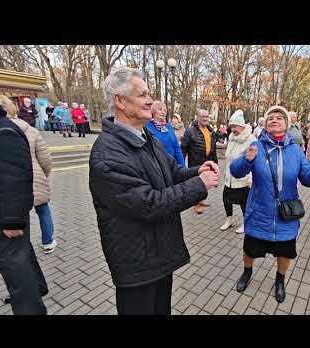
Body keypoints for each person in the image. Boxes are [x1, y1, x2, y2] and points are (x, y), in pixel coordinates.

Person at [89, 67, 219, 315]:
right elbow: (149, 203)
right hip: (136, 265)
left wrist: (196, 171)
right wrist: (199, 185)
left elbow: (171, 173)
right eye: (142, 94)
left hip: (159, 254)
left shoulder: (147, 138)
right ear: (120, 101)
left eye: (149, 93)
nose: (150, 100)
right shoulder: (107, 154)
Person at [230, 105, 310, 303]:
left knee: (285, 253)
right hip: (259, 213)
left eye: (279, 117)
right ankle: (247, 272)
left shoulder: (295, 151)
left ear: (287, 124)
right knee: (250, 250)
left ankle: (280, 280)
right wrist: (247, 161)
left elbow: (308, 178)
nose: (274, 120)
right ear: (266, 125)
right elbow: (235, 171)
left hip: (286, 217)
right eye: (270, 118)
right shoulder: (255, 146)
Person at [0, 102, 48, 315]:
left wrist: (11, 219)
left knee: (15, 265)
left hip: (7, 215)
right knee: (20, 255)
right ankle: (37, 286)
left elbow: (11, 175)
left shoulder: (3, 130)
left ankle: (30, 307)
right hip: (8, 212)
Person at [0, 95, 57, 255]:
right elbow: (45, 159)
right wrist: (43, 175)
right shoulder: (31, 131)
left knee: (20, 215)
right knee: (43, 210)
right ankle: (48, 241)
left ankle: (22, 247)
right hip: (34, 177)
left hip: (9, 187)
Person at [221, 109, 256, 234]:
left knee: (244, 203)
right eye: (231, 127)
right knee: (226, 199)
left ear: (241, 125)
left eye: (234, 126)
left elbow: (253, 162)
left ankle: (246, 223)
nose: (232, 129)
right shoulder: (232, 138)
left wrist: (250, 180)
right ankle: (229, 220)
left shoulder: (251, 140)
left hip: (243, 180)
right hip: (229, 178)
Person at [181, 109, 218, 214]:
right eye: (203, 116)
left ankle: (200, 201)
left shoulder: (210, 131)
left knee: (205, 183)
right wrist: (181, 164)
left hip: (207, 162)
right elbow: (183, 148)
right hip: (195, 164)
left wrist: (215, 163)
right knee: (197, 183)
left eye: (207, 116)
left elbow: (213, 149)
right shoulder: (190, 131)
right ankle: (196, 204)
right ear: (197, 117)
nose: (205, 119)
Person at [145, 101, 185, 167]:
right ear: (153, 111)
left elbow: (176, 147)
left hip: (171, 166)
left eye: (164, 110)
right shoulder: (147, 126)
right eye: (160, 109)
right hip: (155, 166)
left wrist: (182, 165)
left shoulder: (169, 127)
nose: (163, 112)